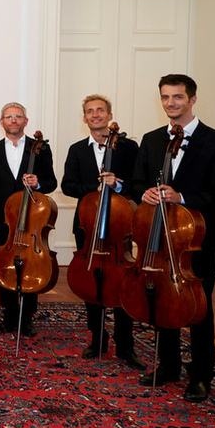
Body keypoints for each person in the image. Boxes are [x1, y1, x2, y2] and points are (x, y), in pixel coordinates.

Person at [131, 74, 215, 403]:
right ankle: (169, 366)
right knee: (161, 302)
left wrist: (183, 196)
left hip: (195, 240)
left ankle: (201, 375)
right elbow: (136, 183)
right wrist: (144, 192)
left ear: (192, 99)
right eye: (165, 97)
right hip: (158, 237)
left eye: (177, 97)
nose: (170, 103)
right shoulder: (151, 139)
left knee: (198, 308)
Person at [60, 94, 144, 370]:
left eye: (100, 110)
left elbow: (139, 183)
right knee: (90, 283)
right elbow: (68, 185)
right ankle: (97, 339)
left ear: (109, 115)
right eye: (89, 111)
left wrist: (118, 185)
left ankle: (125, 344)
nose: (95, 115)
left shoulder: (129, 147)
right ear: (84, 118)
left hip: (120, 227)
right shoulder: (76, 149)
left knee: (121, 284)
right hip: (88, 223)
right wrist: (92, 189)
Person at [0, 102, 57, 336]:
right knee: (5, 264)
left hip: (31, 219)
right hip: (3, 218)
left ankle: (26, 318)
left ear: (25, 121)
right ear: (1, 123)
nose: (13, 120)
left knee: (30, 265)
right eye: (8, 117)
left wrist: (39, 183)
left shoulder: (40, 149)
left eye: (18, 116)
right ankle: (9, 315)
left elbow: (52, 182)